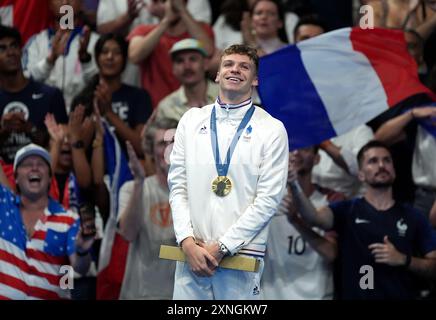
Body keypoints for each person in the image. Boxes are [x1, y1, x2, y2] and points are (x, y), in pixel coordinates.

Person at [168, 44, 289, 300]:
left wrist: (223, 246)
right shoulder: (190, 121)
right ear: (217, 74)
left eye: (244, 66)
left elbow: (269, 200)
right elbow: (177, 187)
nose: (235, 70)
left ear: (255, 79)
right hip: (192, 254)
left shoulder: (272, 129)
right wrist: (186, 241)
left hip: (240, 257)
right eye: (229, 64)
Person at [289, 140, 436, 299]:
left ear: (394, 169)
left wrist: (404, 259)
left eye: (387, 160)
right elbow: (313, 218)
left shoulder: (414, 216)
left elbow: (433, 267)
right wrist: (294, 185)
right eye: (373, 161)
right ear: (360, 174)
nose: (381, 165)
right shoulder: (346, 210)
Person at [0, 143, 96, 299]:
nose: (34, 168)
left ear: (50, 177)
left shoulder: (69, 220)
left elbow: (79, 269)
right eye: (26, 164)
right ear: (16, 177)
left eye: (41, 164)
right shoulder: (4, 206)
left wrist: (82, 251)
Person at [262, 145, 345, 300]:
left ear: (317, 159)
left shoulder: (332, 199)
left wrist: (296, 221)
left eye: (304, 148)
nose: (296, 153)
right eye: (291, 148)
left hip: (318, 296)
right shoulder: (264, 199)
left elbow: (331, 253)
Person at [117, 118, 178, 299]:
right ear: (152, 151)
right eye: (162, 143)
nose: (168, 148)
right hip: (139, 294)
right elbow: (128, 233)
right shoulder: (132, 189)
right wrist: (138, 183)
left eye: (174, 141)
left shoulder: (198, 193)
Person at [0, 25, 68, 188]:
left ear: (22, 51)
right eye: (2, 48)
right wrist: (3, 130)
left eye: (14, 46)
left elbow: (62, 148)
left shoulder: (50, 95)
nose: (10, 52)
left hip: (44, 179)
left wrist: (30, 129)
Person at [127, 0, 214, 108]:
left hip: (196, 109)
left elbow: (208, 51)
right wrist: (166, 20)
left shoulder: (201, 28)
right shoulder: (144, 31)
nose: (171, 4)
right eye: (163, 1)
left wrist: (183, 11)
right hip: (157, 110)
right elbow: (134, 57)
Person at [23, 0, 99, 111]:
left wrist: (85, 59)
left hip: (84, 116)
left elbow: (101, 85)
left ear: (82, 4)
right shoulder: (35, 43)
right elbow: (24, 83)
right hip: (45, 116)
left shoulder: (95, 41)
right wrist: (50, 60)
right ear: (49, 5)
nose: (65, 2)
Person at [156, 38, 219, 122]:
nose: (187, 66)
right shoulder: (166, 107)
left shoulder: (227, 95)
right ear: (173, 68)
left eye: (193, 59)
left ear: (206, 64)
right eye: (180, 61)